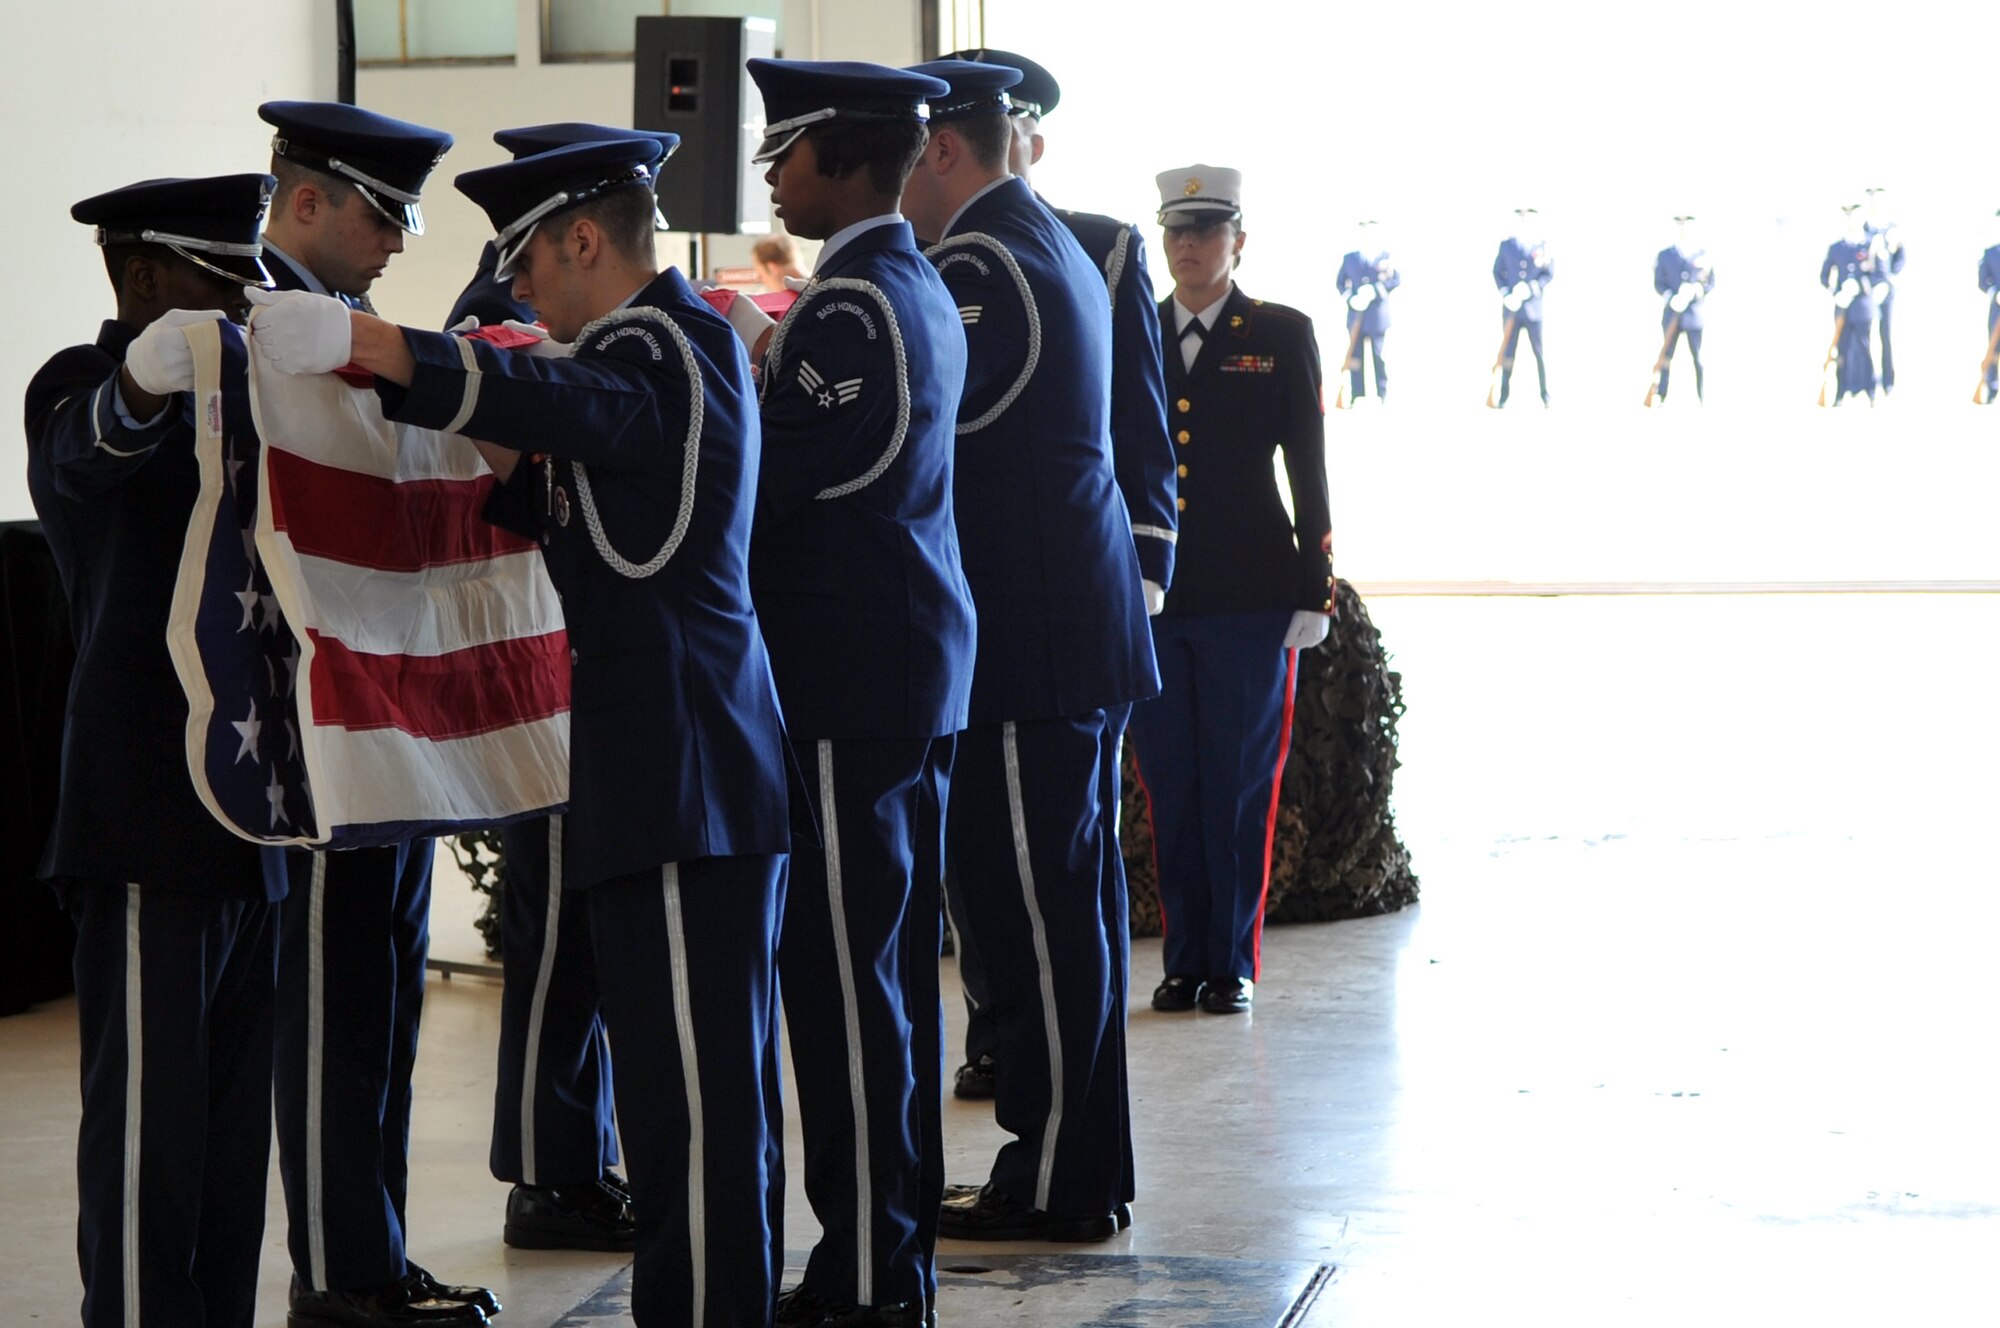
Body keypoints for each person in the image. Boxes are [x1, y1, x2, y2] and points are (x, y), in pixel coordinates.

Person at [248, 131, 796, 1328]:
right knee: (675, 1102)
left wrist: (380, 344)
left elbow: (579, 402)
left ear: (583, 239)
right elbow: (551, 462)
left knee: (697, 1108)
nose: (519, 292)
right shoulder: (633, 360)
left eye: (527, 263)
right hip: (655, 770)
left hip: (687, 767)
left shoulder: (670, 343)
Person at [900, 58, 1157, 1244]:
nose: (889, 189)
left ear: (943, 149)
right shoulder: (1045, 239)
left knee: (1039, 924)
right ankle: (1074, 1159)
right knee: (1073, 917)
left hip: (1029, 639)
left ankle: (1055, 1173)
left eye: (897, 159)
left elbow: (917, 427)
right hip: (1068, 632)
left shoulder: (975, 264)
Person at [250, 100, 497, 1328]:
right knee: (335, 1003)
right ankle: (339, 1273)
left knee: (385, 995)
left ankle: (373, 1253)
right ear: (306, 203)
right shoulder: (251, 322)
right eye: (382, 211)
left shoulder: (348, 331)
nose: (398, 240)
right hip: (314, 722)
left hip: (382, 706)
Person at [743, 59, 976, 1328]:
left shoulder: (851, 310)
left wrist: (731, 377)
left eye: (787, 153)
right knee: (876, 984)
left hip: (847, 679)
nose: (775, 177)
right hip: (899, 668)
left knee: (843, 994)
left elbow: (784, 492)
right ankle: (890, 1261)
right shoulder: (906, 285)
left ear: (838, 156)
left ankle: (870, 1274)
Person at [26, 173, 281, 1328]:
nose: (246, 298)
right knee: (148, 1134)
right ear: (141, 281)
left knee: (232, 1142)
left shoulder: (260, 388)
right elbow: (85, 453)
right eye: (220, 276)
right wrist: (144, 373)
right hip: (144, 807)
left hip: (257, 806)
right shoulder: (81, 383)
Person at [444, 122, 681, 1258]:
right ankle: (547, 1167)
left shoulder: (611, 326)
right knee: (553, 931)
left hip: (587, 647)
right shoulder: (497, 309)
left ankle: (569, 1159)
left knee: (584, 932)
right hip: (548, 655)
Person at [1130, 165, 1331, 1019]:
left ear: (1238, 242)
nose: (1189, 247)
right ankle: (1185, 960)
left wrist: (1315, 585)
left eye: (1207, 232)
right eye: (1177, 232)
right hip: (1157, 601)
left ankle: (1231, 962)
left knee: (1240, 788)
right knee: (1171, 786)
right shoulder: (1130, 330)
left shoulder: (1279, 333)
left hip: (1251, 594)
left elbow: (1308, 465)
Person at [1821, 202, 1886, 406]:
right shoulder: (1837, 247)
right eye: (1847, 217)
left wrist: (1860, 286)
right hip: (1843, 307)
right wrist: (1836, 292)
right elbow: (1824, 276)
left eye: (1854, 216)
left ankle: (1870, 390)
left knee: (1865, 348)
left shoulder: (1871, 244)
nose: (1850, 221)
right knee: (1842, 349)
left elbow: (1881, 275)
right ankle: (1841, 391)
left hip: (1863, 307)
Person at [1491, 207, 1553, 408]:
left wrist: (1532, 288)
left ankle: (1545, 395)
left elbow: (1549, 272)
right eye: (1521, 217)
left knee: (1539, 353)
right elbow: (1497, 271)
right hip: (1512, 310)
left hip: (1534, 310)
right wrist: (1506, 293)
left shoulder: (1541, 245)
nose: (1525, 221)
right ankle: (1503, 396)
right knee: (1508, 353)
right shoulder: (1507, 245)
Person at [1651, 214, 1715, 405]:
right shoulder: (1665, 255)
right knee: (1666, 356)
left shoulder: (1702, 254)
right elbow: (1659, 283)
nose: (1683, 227)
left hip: (1694, 315)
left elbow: (1710, 282)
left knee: (1698, 358)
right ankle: (1660, 396)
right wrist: (1671, 298)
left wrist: (1697, 291)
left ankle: (1701, 397)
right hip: (1672, 314)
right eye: (1679, 223)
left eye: (1687, 223)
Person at [1336, 220, 1399, 404]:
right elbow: (1340, 283)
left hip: (1377, 316)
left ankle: (1382, 393)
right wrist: (1351, 298)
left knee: (1379, 355)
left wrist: (1376, 290)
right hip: (1356, 316)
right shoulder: (1350, 258)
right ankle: (1357, 394)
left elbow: (1395, 280)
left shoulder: (1385, 256)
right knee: (1356, 357)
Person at [1864, 187, 1905, 396]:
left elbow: (1901, 258)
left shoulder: (1891, 229)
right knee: (1867, 336)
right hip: (1867, 290)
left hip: (1887, 290)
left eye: (1878, 201)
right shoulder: (1864, 230)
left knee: (1886, 335)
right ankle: (1869, 381)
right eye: (1872, 201)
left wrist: (1891, 280)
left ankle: (1888, 381)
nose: (1875, 205)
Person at [1979, 211, 2000, 403]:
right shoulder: (1990, 252)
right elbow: (1983, 282)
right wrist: (1995, 293)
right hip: (1997, 309)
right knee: (1993, 349)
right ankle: (1992, 388)